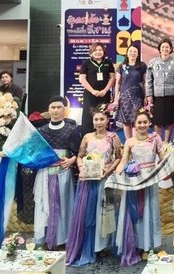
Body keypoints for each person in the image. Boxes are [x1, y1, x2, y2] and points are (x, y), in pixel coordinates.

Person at [0, 95, 81, 250]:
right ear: (48, 110)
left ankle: (64, 240)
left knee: (64, 206)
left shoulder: (72, 130)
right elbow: (24, 151)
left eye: (59, 107)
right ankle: (46, 239)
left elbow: (80, 151)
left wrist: (72, 160)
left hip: (63, 174)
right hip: (44, 174)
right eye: (53, 107)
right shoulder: (41, 131)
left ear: (65, 110)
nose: (56, 110)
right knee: (44, 207)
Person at [66, 108, 122, 266]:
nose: (99, 122)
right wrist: (81, 167)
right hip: (88, 180)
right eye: (96, 119)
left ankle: (101, 246)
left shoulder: (113, 137)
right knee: (88, 214)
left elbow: (118, 157)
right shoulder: (87, 137)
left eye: (102, 119)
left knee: (102, 212)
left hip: (104, 180)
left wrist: (108, 171)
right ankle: (88, 245)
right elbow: (80, 156)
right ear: (93, 121)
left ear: (107, 121)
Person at [114, 110, 165, 266]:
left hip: (149, 180)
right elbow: (124, 160)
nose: (142, 125)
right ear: (134, 125)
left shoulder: (155, 138)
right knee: (133, 212)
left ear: (149, 123)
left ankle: (147, 246)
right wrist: (117, 174)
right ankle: (134, 244)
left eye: (144, 122)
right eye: (139, 122)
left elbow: (162, 158)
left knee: (149, 212)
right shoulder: (129, 141)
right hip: (133, 180)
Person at [146, 39, 174, 143]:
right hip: (157, 96)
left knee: (169, 121)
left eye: (167, 47)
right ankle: (158, 142)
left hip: (171, 95)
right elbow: (148, 79)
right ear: (159, 49)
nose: (165, 49)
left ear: (170, 49)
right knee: (157, 121)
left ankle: (166, 142)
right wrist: (149, 94)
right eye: (163, 47)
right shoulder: (152, 62)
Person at [79, 43, 116, 136]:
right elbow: (82, 79)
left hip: (104, 95)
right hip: (90, 95)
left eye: (100, 50)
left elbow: (112, 78)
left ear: (103, 52)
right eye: (95, 50)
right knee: (88, 118)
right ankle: (87, 139)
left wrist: (105, 90)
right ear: (91, 52)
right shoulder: (86, 63)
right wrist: (92, 91)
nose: (98, 52)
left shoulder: (108, 63)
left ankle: (104, 138)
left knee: (104, 116)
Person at [113, 44, 147, 140]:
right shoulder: (121, 66)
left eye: (135, 51)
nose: (133, 53)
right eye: (130, 51)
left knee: (137, 119)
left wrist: (146, 96)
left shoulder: (142, 66)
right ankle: (128, 142)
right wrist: (116, 99)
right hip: (124, 97)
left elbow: (145, 82)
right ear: (127, 53)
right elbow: (118, 83)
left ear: (138, 54)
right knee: (126, 120)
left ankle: (136, 141)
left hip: (138, 96)